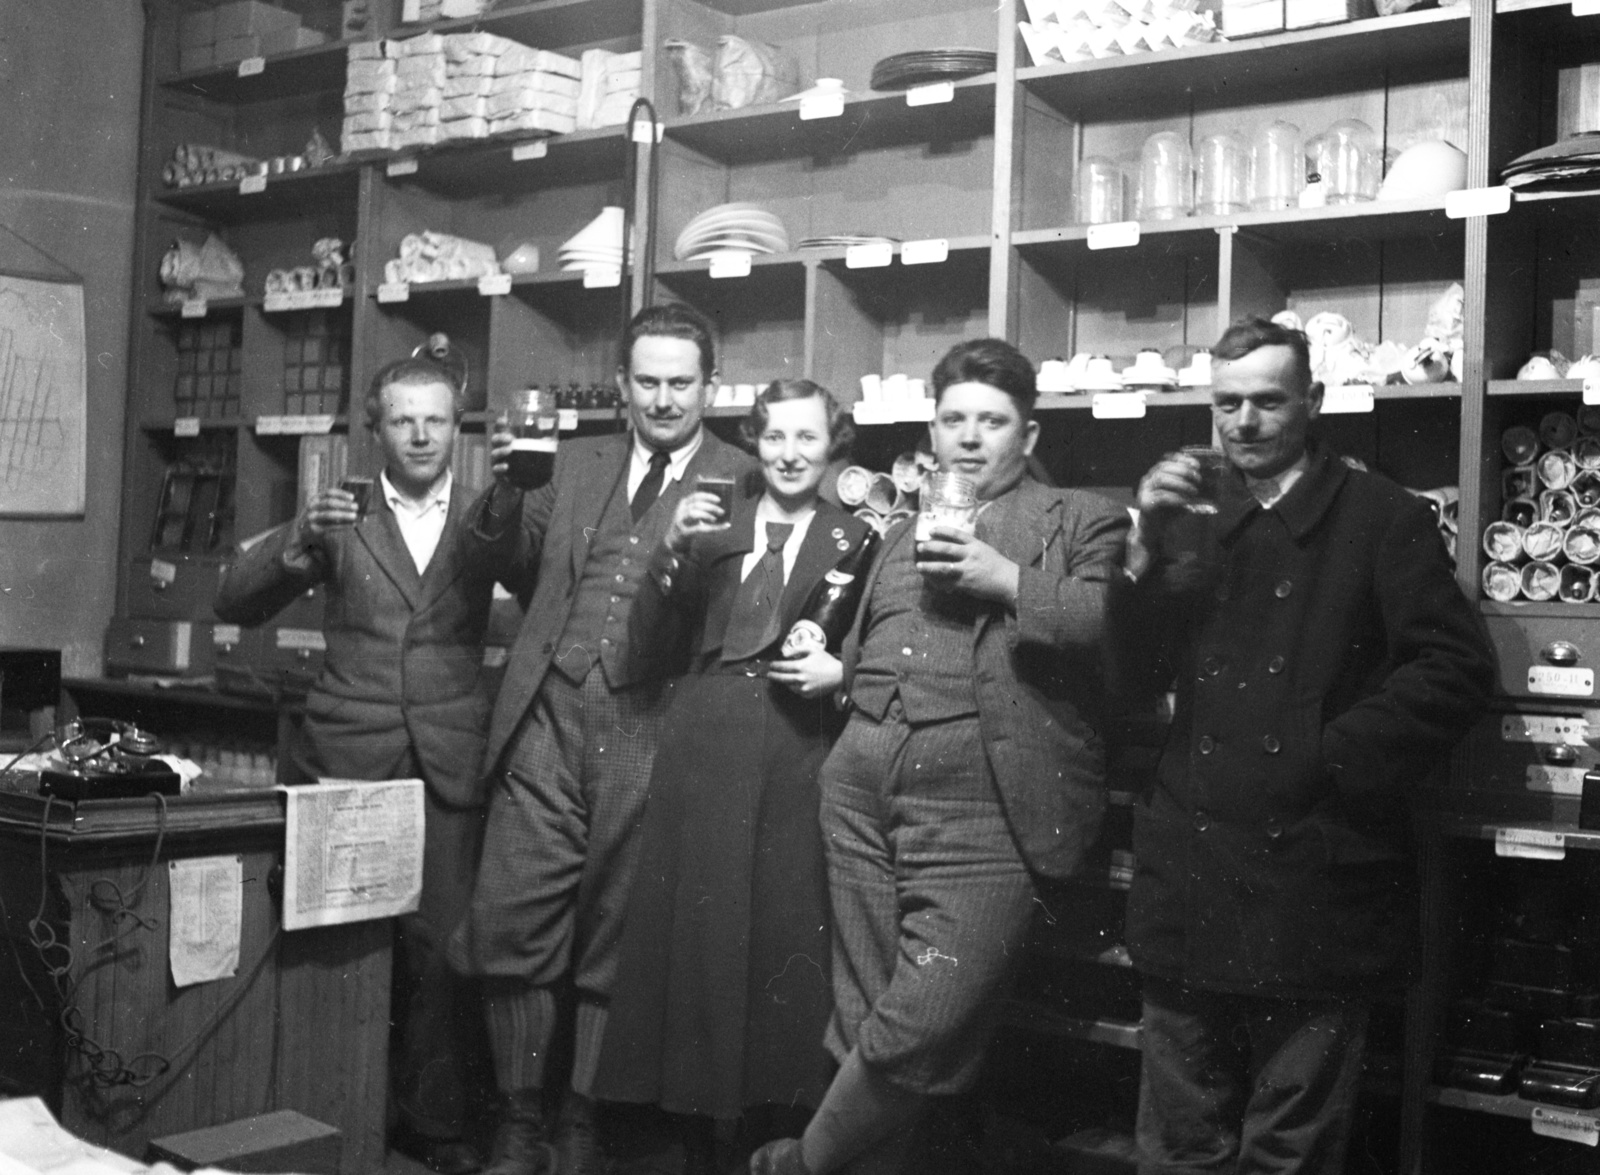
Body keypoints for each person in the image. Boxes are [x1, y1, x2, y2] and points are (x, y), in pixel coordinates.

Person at [1114, 316, 1495, 1175]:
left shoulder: (1380, 516)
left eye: (1266, 401)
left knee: (1291, 1148)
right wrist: (1138, 550)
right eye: (1226, 404)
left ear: (1313, 402)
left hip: (1313, 874)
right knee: (1179, 1142)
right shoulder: (1188, 516)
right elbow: (1127, 674)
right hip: (1193, 866)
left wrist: (1323, 754)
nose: (1243, 423)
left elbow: (1455, 669)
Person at [751, 338, 1130, 1175]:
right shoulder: (899, 521)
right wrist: (849, 677)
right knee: (862, 1004)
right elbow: (877, 635)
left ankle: (800, 1164)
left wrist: (1009, 580)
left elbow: (1122, 630)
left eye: (991, 421)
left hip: (986, 797)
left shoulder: (1081, 515)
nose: (969, 436)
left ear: (1026, 437)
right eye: (953, 418)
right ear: (933, 429)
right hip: (860, 783)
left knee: (928, 1011)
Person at [447, 303, 760, 1175]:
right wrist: (506, 491)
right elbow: (502, 564)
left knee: (613, 935)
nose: (663, 399)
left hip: (655, 719)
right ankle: (519, 1120)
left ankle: (580, 1119)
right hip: (547, 709)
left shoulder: (744, 474)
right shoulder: (576, 462)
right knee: (514, 915)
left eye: (681, 382)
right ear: (621, 386)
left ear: (710, 385)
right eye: (647, 381)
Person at [215, 355, 520, 1175]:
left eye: (436, 419)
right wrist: (298, 532)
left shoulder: (487, 515)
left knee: (441, 954)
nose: (420, 434)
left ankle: (429, 1127)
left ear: (460, 428)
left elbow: (535, 576)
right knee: (342, 949)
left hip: (450, 760)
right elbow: (233, 600)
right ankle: (334, 1110)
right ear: (375, 427)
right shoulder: (340, 511)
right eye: (402, 419)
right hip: (349, 757)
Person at [592, 380, 873, 1172]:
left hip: (797, 753)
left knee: (782, 937)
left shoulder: (859, 537)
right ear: (754, 443)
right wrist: (669, 547)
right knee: (694, 940)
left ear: (834, 446)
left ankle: (765, 1136)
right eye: (774, 437)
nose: (789, 454)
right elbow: (643, 644)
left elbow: (878, 641)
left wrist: (840, 671)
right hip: (702, 750)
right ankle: (686, 1129)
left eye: (807, 439)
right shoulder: (713, 527)